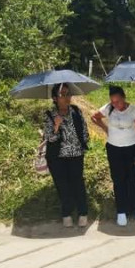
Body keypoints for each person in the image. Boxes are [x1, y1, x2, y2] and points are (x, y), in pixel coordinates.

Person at [92, 86, 135, 227]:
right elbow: (94, 117)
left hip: (133, 148)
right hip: (114, 149)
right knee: (118, 179)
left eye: (118, 101)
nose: (115, 104)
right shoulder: (108, 108)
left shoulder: (133, 110)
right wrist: (105, 128)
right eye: (113, 102)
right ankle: (121, 210)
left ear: (124, 97)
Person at [43, 84, 90, 227]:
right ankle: (66, 214)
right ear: (55, 98)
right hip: (57, 157)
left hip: (76, 154)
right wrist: (56, 126)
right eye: (62, 95)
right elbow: (50, 138)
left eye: (68, 94)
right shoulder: (49, 115)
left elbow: (84, 130)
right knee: (62, 185)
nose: (67, 97)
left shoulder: (75, 111)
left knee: (78, 183)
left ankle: (83, 213)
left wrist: (83, 144)